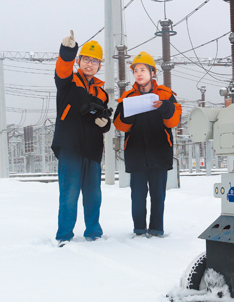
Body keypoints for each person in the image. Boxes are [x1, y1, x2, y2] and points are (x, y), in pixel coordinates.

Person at [51, 30, 111, 247]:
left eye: (94, 61)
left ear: (99, 66)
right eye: (86, 59)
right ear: (79, 61)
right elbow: (62, 68)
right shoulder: (68, 82)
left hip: (93, 148)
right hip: (70, 145)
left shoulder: (101, 92)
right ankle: (64, 235)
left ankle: (93, 231)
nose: (90, 64)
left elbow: (104, 118)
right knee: (69, 194)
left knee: (93, 195)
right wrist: (67, 51)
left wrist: (106, 123)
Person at [113, 52, 182, 236]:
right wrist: (129, 110)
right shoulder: (127, 97)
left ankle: (157, 229)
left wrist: (164, 107)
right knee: (137, 196)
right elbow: (120, 125)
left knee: (158, 196)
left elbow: (173, 121)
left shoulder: (166, 95)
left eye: (143, 69)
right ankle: (139, 230)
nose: (139, 73)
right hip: (136, 155)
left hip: (159, 154)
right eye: (136, 70)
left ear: (152, 72)